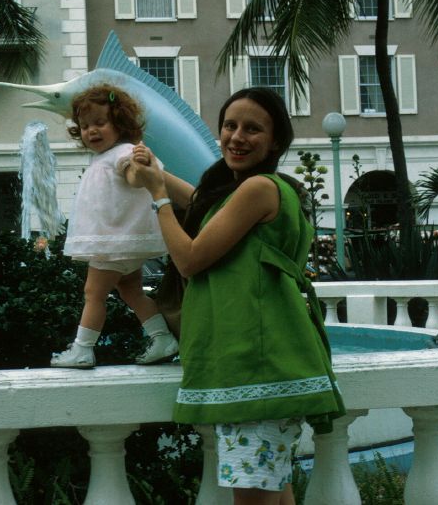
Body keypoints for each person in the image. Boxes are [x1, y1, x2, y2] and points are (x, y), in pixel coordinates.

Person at [131, 87, 345, 505]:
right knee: (276, 496)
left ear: (276, 141)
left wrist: (157, 198)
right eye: (230, 126)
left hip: (256, 370)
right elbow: (200, 201)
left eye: (252, 129)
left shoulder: (258, 189)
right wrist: (154, 173)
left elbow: (190, 258)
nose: (237, 137)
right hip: (264, 370)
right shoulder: (256, 190)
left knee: (255, 500)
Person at [51, 83, 179, 368]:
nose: (91, 130)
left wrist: (138, 167)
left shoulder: (123, 152)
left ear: (120, 124)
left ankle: (83, 348)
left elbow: (134, 176)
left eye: (100, 122)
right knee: (130, 290)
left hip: (112, 243)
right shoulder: (106, 156)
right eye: (84, 126)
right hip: (124, 242)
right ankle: (162, 337)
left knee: (93, 293)